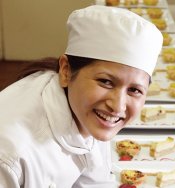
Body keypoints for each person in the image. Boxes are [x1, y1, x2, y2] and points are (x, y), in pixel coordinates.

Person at [0, 5, 162, 188]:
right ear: (66, 71)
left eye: (134, 90)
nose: (118, 106)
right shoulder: (9, 156)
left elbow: (95, 182)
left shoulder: (87, 113)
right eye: (106, 82)